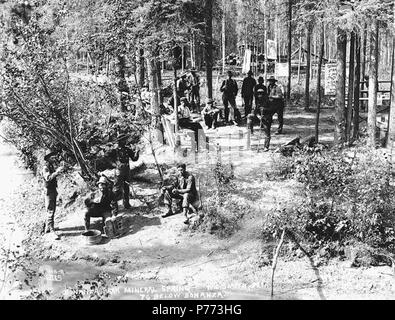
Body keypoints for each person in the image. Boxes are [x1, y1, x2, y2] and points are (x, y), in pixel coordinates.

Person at [106, 133, 140, 209]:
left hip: (127, 170)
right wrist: (114, 164)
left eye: (125, 140)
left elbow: (134, 159)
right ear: (120, 141)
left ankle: (126, 204)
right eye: (123, 140)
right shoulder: (115, 150)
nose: (125, 141)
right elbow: (107, 157)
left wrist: (137, 152)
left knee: (126, 187)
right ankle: (114, 206)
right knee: (116, 189)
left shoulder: (127, 149)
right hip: (119, 171)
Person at [42, 149, 64, 239]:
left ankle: (48, 228)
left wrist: (57, 172)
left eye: (54, 155)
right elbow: (48, 178)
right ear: (48, 158)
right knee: (50, 209)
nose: (54, 157)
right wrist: (57, 172)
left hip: (52, 189)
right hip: (49, 190)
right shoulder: (45, 167)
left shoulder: (50, 165)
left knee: (51, 208)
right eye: (52, 156)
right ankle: (51, 231)